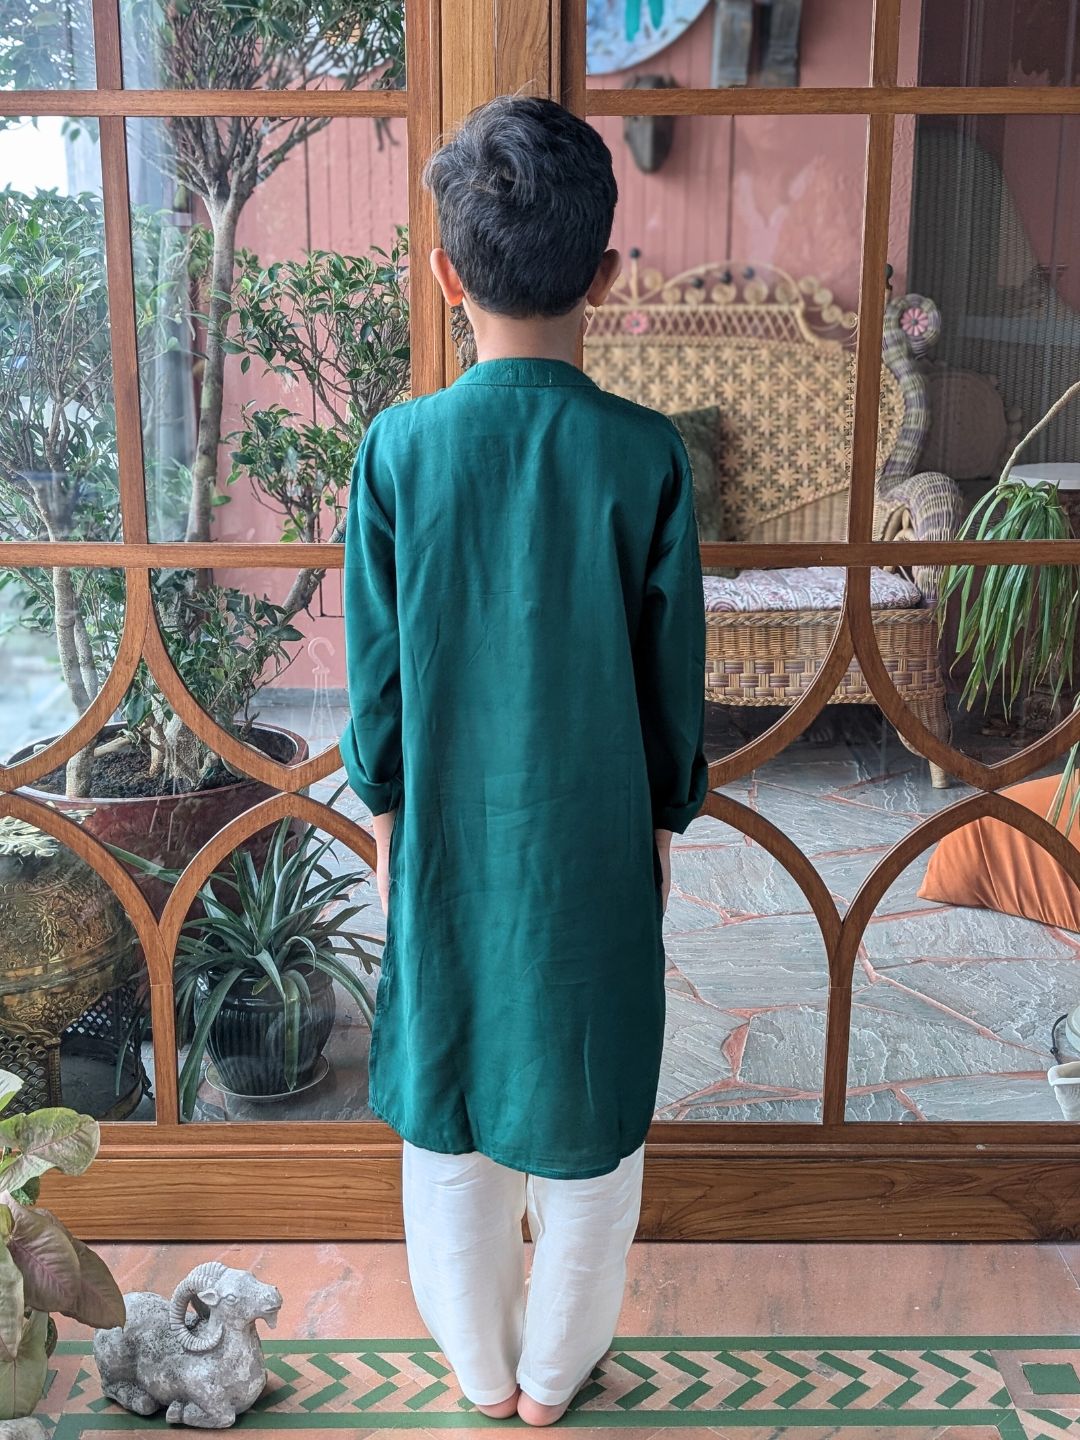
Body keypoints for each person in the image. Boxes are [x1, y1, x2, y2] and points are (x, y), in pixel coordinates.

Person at [340, 94, 708, 1427]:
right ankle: (556, 1379)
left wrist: (382, 804)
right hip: (604, 837)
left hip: (439, 838)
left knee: (451, 1108)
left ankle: (483, 1373)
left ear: (446, 278)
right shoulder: (645, 455)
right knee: (593, 1110)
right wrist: (667, 816)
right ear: (606, 275)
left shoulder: (397, 451)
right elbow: (674, 687)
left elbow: (376, 685)